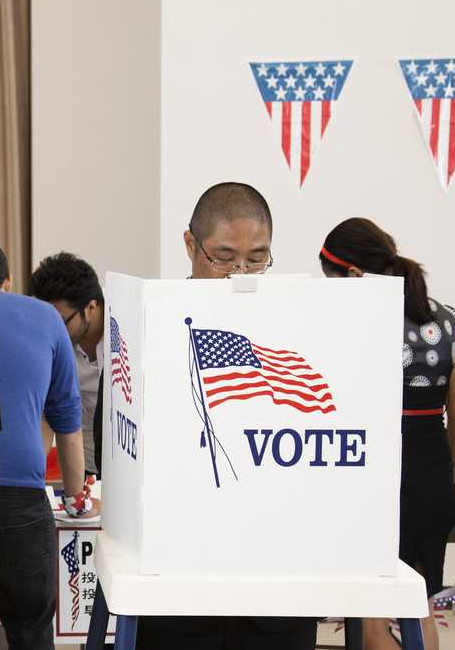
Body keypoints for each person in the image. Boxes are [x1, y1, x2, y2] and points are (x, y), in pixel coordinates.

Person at [137, 181, 317, 650]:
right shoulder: (151, 325)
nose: (240, 272)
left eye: (256, 258)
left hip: (275, 568)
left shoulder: (299, 328)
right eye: (224, 257)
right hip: (179, 570)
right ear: (190, 245)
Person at [320, 218, 455, 650]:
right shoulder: (445, 320)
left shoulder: (354, 323)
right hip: (431, 476)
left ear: (352, 275)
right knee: (418, 610)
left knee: (373, 620)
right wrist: (448, 475)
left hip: (377, 477)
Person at [0, 241, 91, 650]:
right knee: (29, 625)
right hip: (22, 497)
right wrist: (74, 493)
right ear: (7, 282)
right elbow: (67, 420)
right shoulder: (44, 318)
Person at [30, 253, 106, 478]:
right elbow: (47, 412)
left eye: (60, 321)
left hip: (122, 468)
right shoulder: (53, 342)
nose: (52, 329)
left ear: (90, 308)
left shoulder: (124, 337)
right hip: (81, 467)